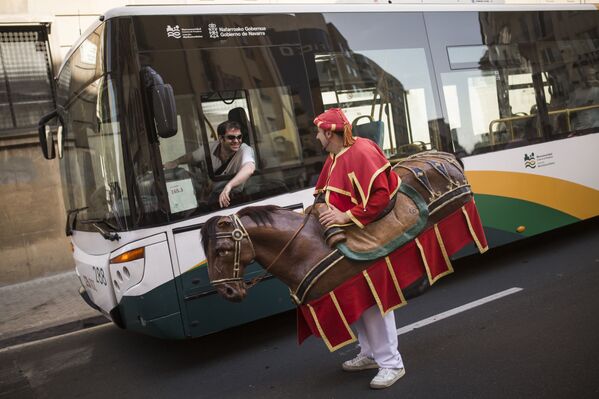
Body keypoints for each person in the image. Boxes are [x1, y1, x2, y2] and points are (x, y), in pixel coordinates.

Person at [312, 108, 404, 389]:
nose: (316, 136)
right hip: (345, 238)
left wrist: (344, 216)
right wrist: (322, 207)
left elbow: (380, 196)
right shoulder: (333, 157)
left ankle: (392, 364)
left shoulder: (362, 151)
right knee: (358, 298)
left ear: (330, 133)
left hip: (367, 234)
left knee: (375, 300)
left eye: (319, 131)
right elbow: (320, 193)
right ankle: (369, 353)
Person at [164, 120, 255, 208]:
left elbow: (249, 168)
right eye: (231, 137)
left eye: (239, 137)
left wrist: (229, 186)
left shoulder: (245, 149)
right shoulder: (211, 147)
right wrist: (176, 162)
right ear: (220, 139)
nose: (236, 141)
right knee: (180, 174)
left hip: (231, 196)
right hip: (210, 191)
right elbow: (192, 157)